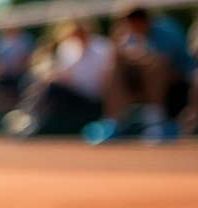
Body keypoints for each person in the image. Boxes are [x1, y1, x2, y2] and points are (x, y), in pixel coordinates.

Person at [84, 5, 196, 144]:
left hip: (179, 81)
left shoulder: (166, 30)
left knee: (156, 67)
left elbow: (159, 61)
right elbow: (120, 62)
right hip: (144, 80)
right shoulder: (125, 34)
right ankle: (112, 122)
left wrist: (135, 57)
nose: (126, 24)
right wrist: (118, 48)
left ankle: (157, 121)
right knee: (111, 70)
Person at [3, 20, 111, 138]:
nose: (76, 36)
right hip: (70, 93)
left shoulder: (102, 47)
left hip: (92, 95)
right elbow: (63, 73)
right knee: (45, 84)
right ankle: (28, 115)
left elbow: (103, 77)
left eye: (79, 32)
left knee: (48, 87)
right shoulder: (68, 47)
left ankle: (28, 115)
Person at [0, 25, 35, 107]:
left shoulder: (25, 40)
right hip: (4, 76)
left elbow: (29, 59)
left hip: (22, 74)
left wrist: (20, 67)